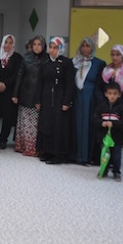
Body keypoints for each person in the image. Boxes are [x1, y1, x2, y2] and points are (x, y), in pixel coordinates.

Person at [34, 36, 75, 165]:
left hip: (60, 98)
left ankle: (57, 154)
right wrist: (37, 100)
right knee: (46, 124)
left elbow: (70, 84)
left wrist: (66, 101)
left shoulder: (66, 63)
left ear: (61, 49)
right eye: (50, 47)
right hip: (46, 98)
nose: (52, 50)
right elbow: (39, 82)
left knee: (57, 126)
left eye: (55, 48)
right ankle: (46, 151)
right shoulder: (45, 62)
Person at [71, 37, 106, 164]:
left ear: (92, 48)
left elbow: (101, 84)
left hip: (90, 100)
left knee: (88, 126)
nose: (85, 48)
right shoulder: (74, 62)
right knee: (75, 125)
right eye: (83, 45)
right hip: (76, 98)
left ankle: (86, 156)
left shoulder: (99, 63)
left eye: (88, 46)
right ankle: (74, 155)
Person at [12, 36, 48, 157]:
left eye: (39, 44)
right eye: (34, 44)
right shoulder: (26, 58)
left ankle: (35, 148)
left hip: (40, 95)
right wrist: (15, 94)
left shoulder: (47, 59)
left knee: (36, 124)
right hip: (26, 93)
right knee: (25, 123)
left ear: (43, 46)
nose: (36, 47)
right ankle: (24, 146)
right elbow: (20, 76)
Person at [0, 34, 22, 149]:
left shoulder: (17, 58)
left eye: (10, 43)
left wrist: (6, 84)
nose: (8, 45)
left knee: (7, 117)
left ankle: (3, 140)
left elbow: (17, 75)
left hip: (9, 92)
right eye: (6, 42)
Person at [93, 82, 123, 182]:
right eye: (110, 93)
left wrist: (113, 124)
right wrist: (102, 123)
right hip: (104, 137)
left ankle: (116, 172)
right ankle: (104, 170)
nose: (112, 96)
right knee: (104, 154)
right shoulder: (101, 107)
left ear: (119, 94)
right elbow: (95, 118)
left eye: (115, 94)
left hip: (117, 138)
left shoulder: (122, 108)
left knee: (116, 156)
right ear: (106, 94)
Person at [96, 45, 123, 111]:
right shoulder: (105, 70)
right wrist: (103, 103)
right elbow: (98, 87)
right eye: (112, 55)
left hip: (122, 107)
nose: (114, 57)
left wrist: (119, 104)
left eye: (117, 55)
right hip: (104, 106)